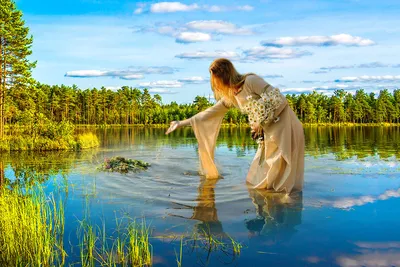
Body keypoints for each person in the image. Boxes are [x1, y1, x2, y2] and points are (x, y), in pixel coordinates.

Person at [165, 58, 305, 194]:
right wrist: (180, 123)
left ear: (224, 76)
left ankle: (284, 207)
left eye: (216, 80)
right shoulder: (232, 95)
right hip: (268, 135)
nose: (216, 85)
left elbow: (278, 98)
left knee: (281, 178)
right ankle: (272, 208)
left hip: (286, 128)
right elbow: (209, 114)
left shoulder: (250, 81)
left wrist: (259, 121)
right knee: (261, 177)